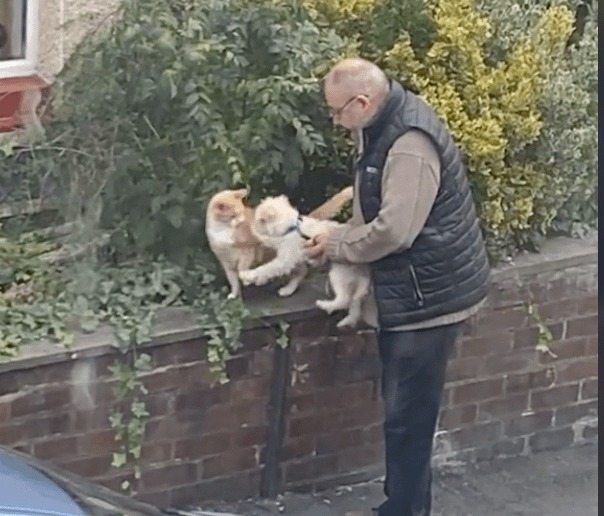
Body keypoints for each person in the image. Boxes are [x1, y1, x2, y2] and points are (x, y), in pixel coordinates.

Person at [305, 57, 491, 515]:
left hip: (428, 300)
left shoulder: (408, 144)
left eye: (337, 111)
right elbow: (374, 207)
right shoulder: (382, 122)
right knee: (405, 416)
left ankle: (404, 511)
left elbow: (395, 231)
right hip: (417, 290)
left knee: (407, 419)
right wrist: (339, 239)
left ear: (363, 101)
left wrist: (337, 243)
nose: (335, 120)